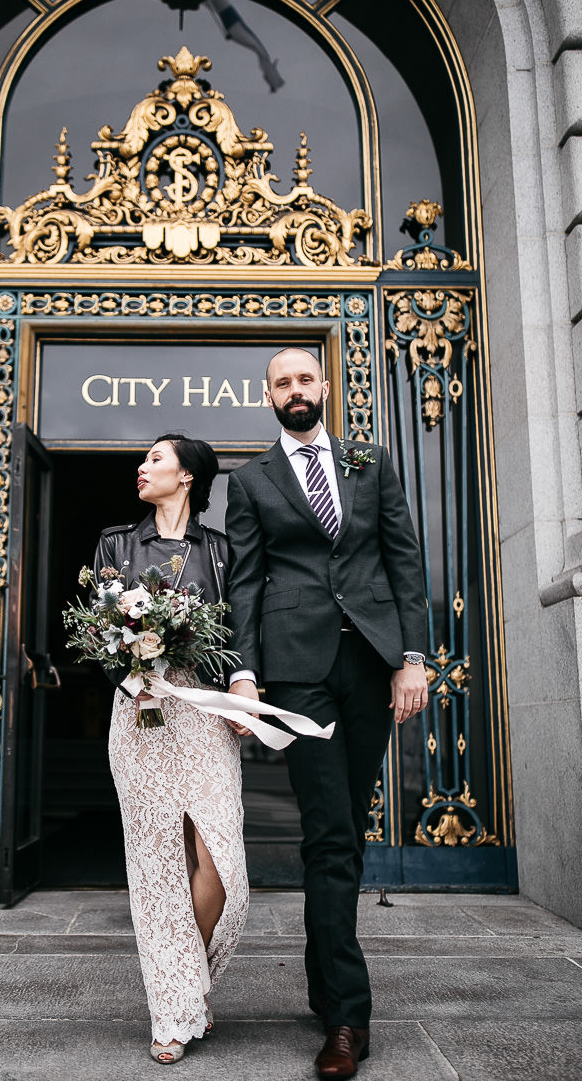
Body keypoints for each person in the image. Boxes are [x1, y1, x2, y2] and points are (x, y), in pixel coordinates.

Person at [225, 348, 428, 1080]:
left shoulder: (371, 460)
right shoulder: (250, 480)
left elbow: (404, 559)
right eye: (283, 384)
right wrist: (244, 675)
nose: (296, 391)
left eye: (305, 379)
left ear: (325, 386)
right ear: (270, 397)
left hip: (371, 663)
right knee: (331, 827)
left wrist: (414, 656)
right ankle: (348, 1017)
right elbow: (245, 582)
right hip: (297, 670)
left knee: (342, 826)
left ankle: (322, 984)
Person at [94, 432, 260, 1064]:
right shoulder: (116, 542)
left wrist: (242, 685)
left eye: (155, 459)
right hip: (141, 711)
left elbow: (244, 625)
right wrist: (133, 668)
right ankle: (174, 1006)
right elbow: (98, 627)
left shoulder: (220, 550)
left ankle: (190, 985)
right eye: (144, 459)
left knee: (223, 863)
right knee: (156, 864)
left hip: (205, 714)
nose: (143, 467)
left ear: (187, 475)